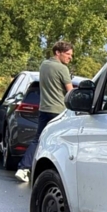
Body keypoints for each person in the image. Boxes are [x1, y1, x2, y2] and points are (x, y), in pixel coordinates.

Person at [16, 41, 74, 183]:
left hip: (44, 109)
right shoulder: (62, 69)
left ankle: (24, 168)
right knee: (63, 143)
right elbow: (71, 92)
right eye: (67, 54)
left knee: (38, 140)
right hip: (59, 112)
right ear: (57, 52)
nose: (70, 58)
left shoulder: (44, 65)